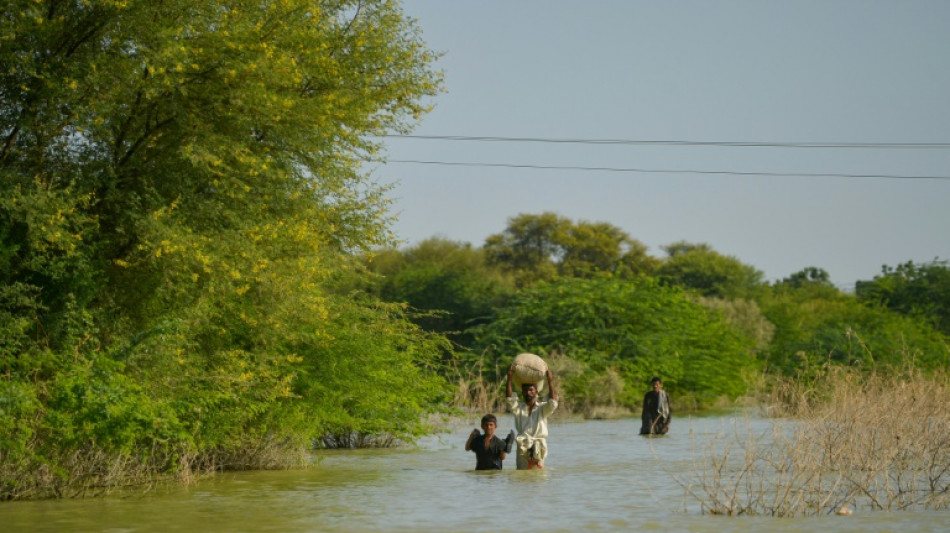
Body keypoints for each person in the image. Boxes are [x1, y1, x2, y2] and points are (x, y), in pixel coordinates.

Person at [506, 363, 558, 469]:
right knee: (522, 475)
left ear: (536, 392)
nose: (528, 393)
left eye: (531, 390)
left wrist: (550, 381)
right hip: (523, 446)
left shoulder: (542, 408)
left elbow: (553, 402)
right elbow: (509, 399)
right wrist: (509, 378)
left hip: (539, 446)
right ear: (522, 392)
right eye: (525, 391)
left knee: (538, 478)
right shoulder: (518, 408)